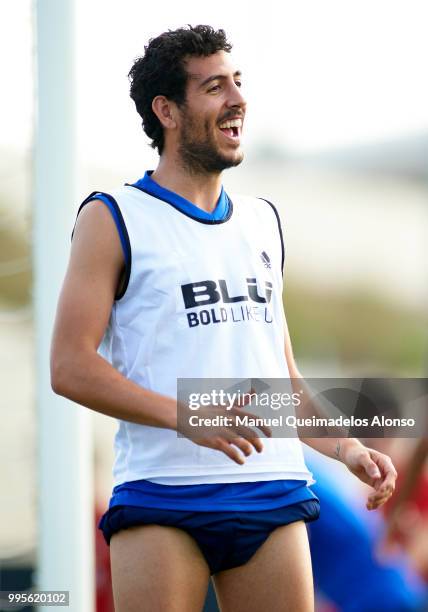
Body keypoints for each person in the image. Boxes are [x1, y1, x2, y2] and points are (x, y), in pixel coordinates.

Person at [50, 24, 398, 612]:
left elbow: (281, 384)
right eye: (214, 87)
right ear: (167, 111)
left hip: (273, 494)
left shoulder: (262, 221)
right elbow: (69, 366)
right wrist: (186, 416)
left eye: (238, 82)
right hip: (163, 497)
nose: (237, 99)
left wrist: (346, 449)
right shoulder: (113, 217)